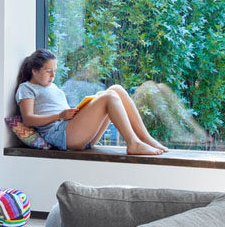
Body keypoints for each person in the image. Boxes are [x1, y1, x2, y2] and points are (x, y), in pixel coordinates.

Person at [15, 49, 168, 154]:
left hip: (74, 131)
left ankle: (146, 138)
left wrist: (75, 111)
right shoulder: (27, 88)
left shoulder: (52, 86)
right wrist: (60, 116)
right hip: (61, 135)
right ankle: (133, 143)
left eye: (55, 70)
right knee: (109, 97)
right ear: (34, 71)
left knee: (116, 89)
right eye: (48, 71)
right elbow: (28, 119)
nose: (53, 75)